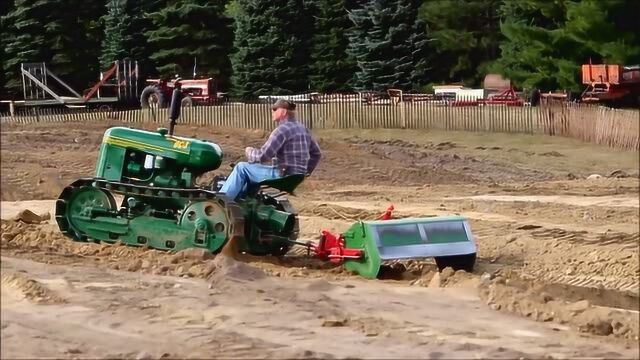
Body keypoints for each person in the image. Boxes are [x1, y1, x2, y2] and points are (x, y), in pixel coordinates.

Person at [218, 99, 322, 200]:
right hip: (296, 176)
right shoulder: (303, 129)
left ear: (283, 111)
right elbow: (316, 154)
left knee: (241, 168)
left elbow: (263, 156)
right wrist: (305, 172)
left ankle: (221, 202)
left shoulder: (282, 130)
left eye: (274, 109)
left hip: (283, 175)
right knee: (253, 170)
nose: (272, 111)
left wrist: (249, 151)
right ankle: (246, 202)